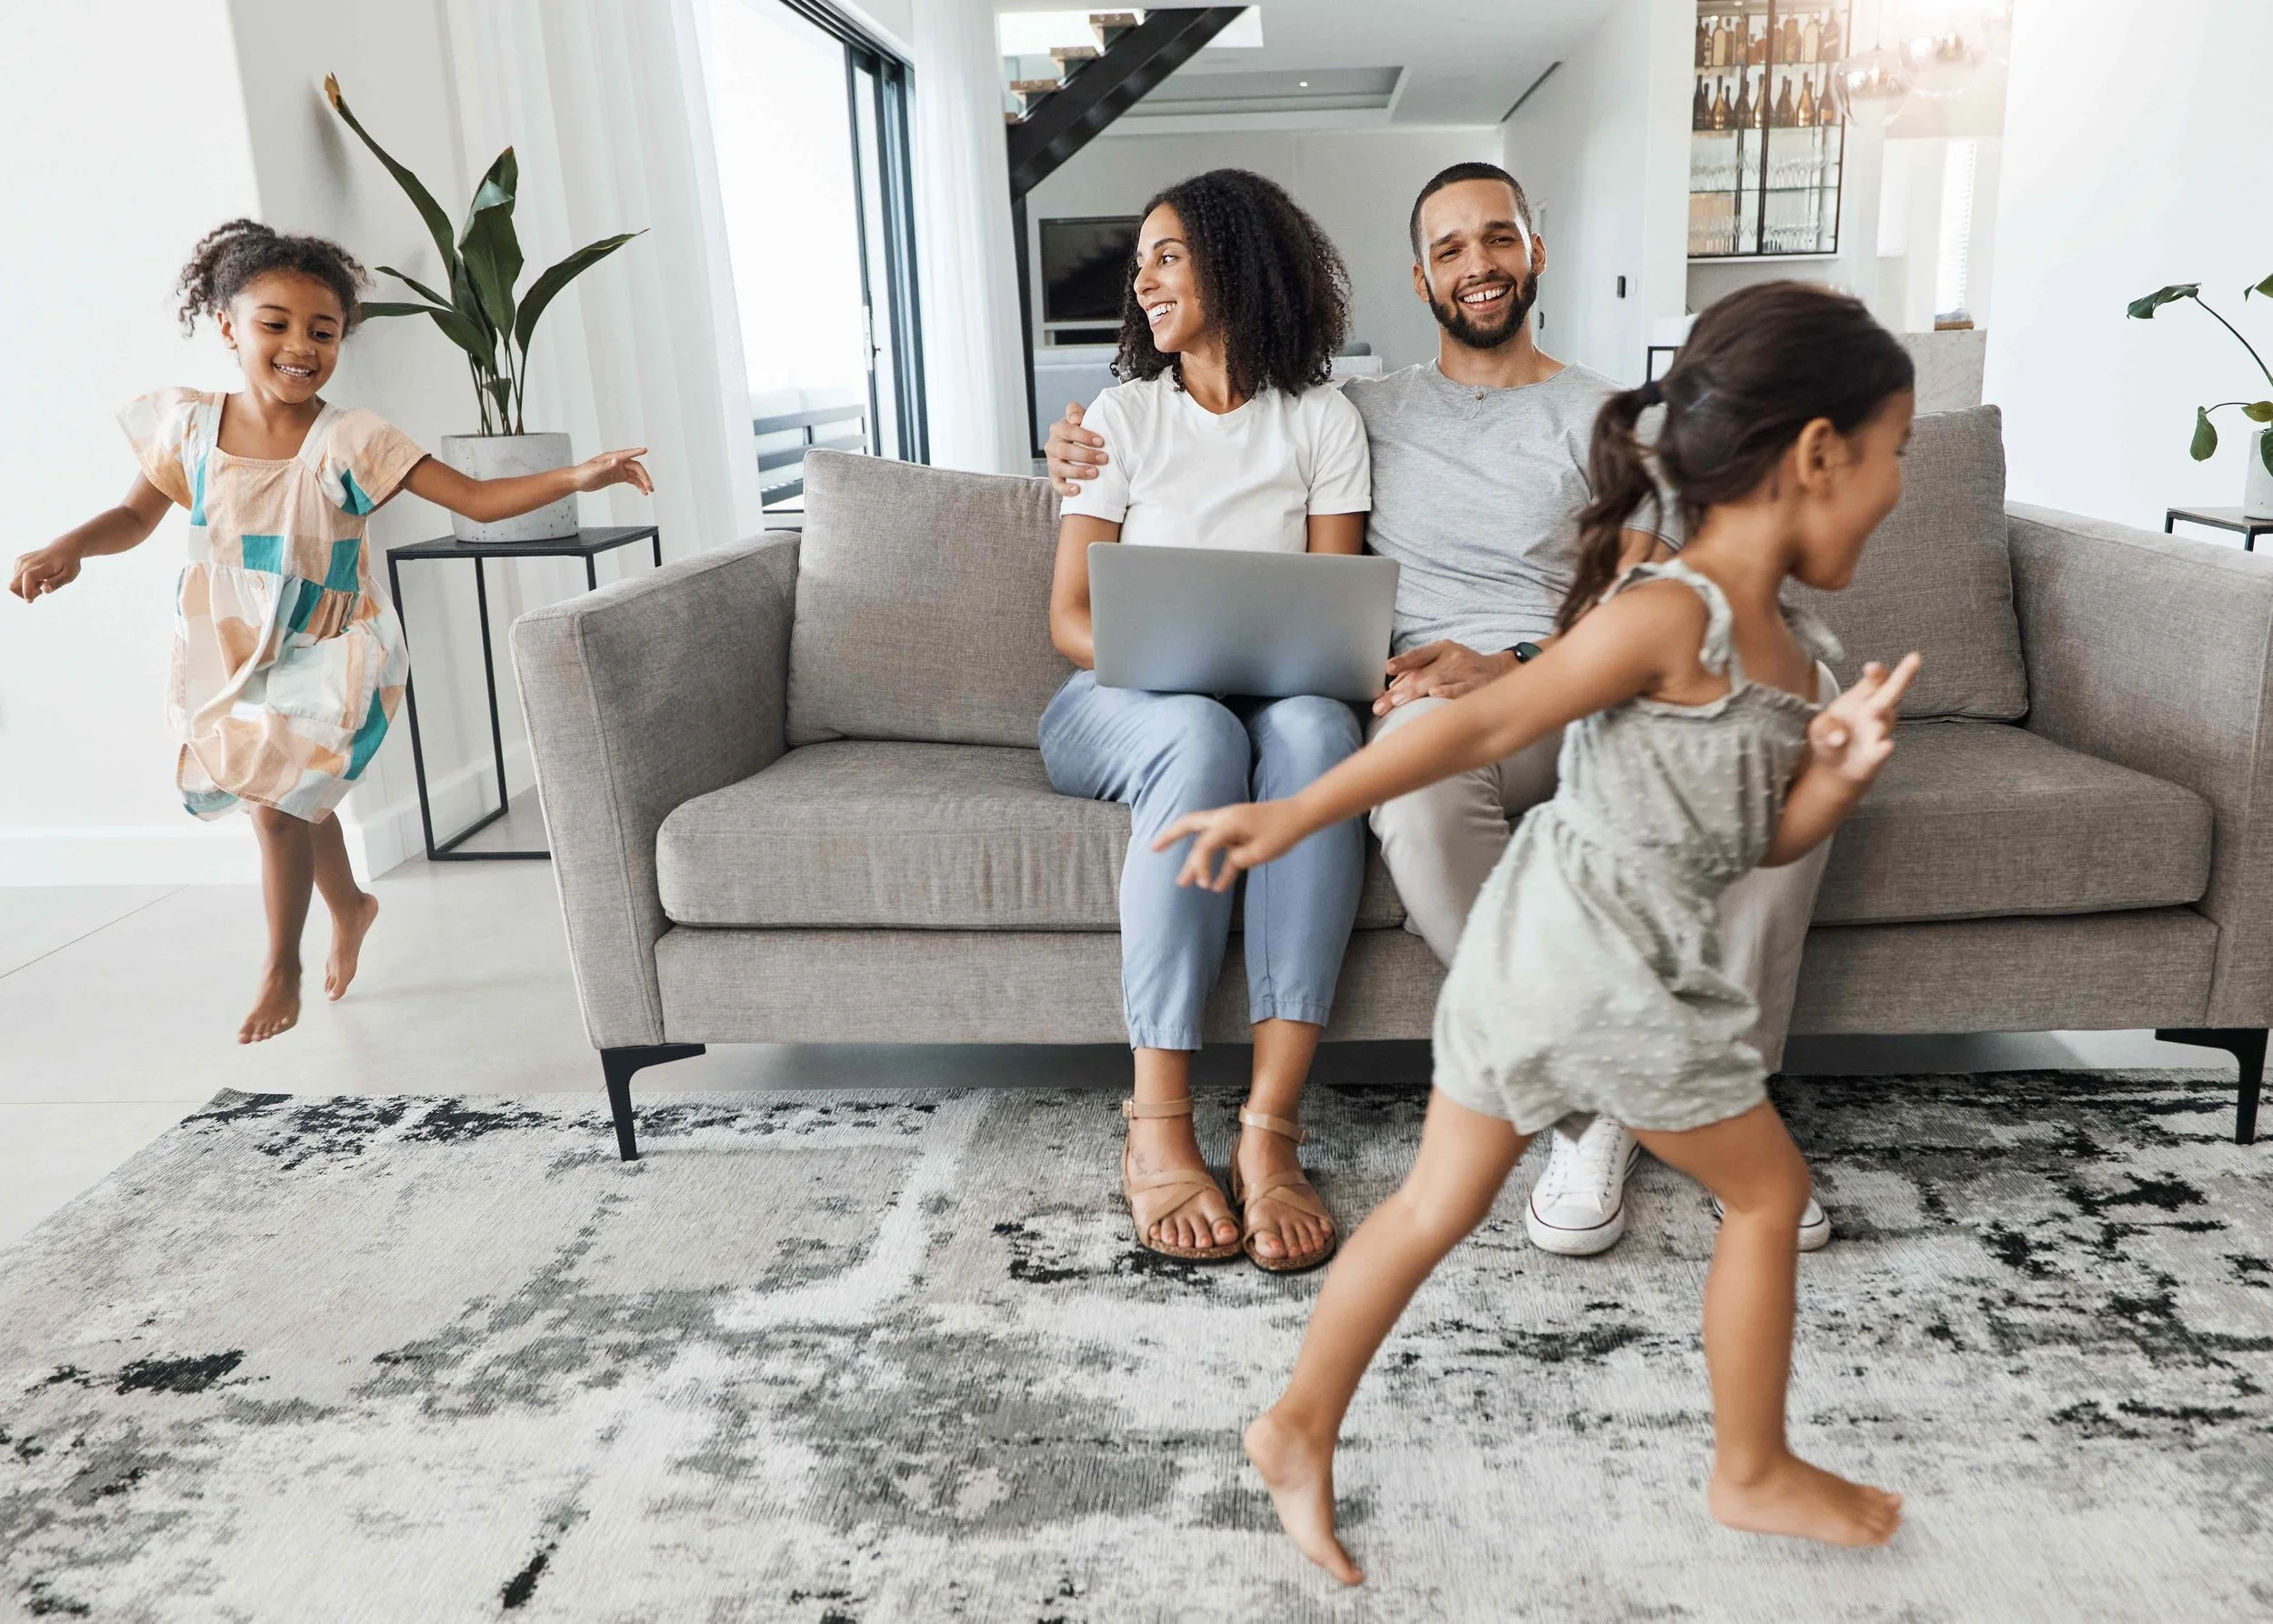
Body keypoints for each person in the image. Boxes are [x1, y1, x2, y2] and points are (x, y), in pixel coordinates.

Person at [1160, 283, 1918, 1580]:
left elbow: (1758, 841)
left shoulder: (1792, 652)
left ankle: (1294, 1425)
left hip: (1541, 959)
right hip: (1608, 977)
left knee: (1430, 1207)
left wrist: (1835, 775)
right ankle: (1750, 1467)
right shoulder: (1668, 610)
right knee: (1769, 1192)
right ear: (1818, 453)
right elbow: (1478, 725)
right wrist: (1296, 809)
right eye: (1896, 452)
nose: (1901, 487)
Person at [1050, 161, 1837, 1258]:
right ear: (1418, 276)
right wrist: (1071, 448)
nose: (1479, 267)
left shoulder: (1611, 419)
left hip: (1569, 681)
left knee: (1776, 725)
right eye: (1452, 249)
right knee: (1400, 775)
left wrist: (1522, 658)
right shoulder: (1359, 409)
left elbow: (1664, 585)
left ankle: (1703, 1092)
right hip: (1426, 703)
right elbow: (1222, 437)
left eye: (1498, 240)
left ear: (1536, 252)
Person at [7, 220, 652, 1045]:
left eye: (323, 330)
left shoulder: (353, 439)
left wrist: (578, 473)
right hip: (230, 642)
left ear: (342, 337)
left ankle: (281, 966)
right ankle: (351, 905)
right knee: (293, 800)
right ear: (229, 327)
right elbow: (135, 516)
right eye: (274, 323)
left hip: (332, 642)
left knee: (276, 807)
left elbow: (477, 502)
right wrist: (72, 548)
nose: (299, 345)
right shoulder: (189, 426)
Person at [1042, 170, 1371, 1272]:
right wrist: (1176, 669)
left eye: (1167, 254)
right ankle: (1158, 1126)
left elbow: (1333, 621)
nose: (1142, 279)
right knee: (1198, 732)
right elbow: (1071, 620)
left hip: (1277, 706)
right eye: (1139, 261)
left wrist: (1263, 675)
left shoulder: (1321, 420)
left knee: (1321, 736)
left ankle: (1270, 1134)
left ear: (1239, 262)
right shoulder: (1121, 422)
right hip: (1118, 705)